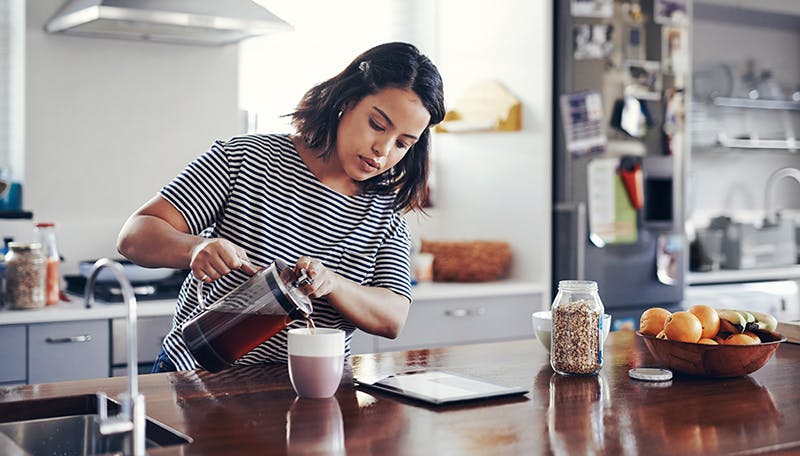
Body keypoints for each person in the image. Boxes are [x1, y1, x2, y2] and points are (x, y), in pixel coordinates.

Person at [117, 42, 445, 372]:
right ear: (347, 102)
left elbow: (392, 317)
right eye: (377, 124)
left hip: (307, 390)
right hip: (195, 377)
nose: (382, 150)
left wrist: (332, 283)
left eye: (403, 143)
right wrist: (195, 248)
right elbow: (135, 235)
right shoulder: (247, 159)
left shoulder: (386, 213)